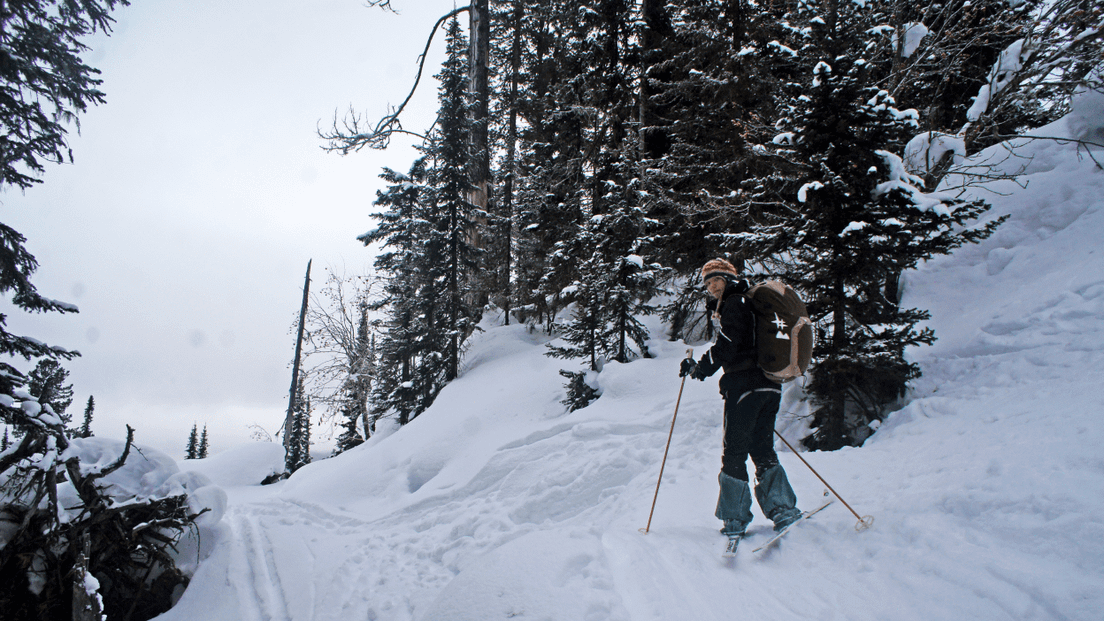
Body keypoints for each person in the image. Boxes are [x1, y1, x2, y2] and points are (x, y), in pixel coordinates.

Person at [679, 258, 801, 553]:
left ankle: (734, 519)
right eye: (708, 283)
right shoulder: (753, 304)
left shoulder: (735, 303)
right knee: (761, 448)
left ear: (729, 278)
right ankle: (783, 510)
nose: (712, 287)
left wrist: (700, 368)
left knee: (734, 452)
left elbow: (728, 344)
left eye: (716, 280)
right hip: (770, 386)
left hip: (744, 388)